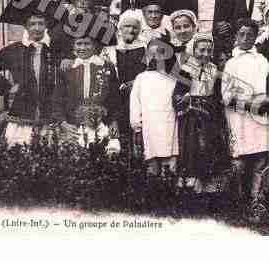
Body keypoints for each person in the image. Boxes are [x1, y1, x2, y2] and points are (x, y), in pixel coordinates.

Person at [0, 0, 60, 145]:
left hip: (47, 109)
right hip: (21, 110)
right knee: (21, 150)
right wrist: (8, 88)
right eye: (32, 24)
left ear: (46, 26)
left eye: (41, 24)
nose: (37, 28)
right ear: (26, 27)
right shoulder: (14, 49)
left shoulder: (53, 50)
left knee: (47, 152)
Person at [221, 20, 269, 208]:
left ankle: (256, 199)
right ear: (236, 36)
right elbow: (226, 96)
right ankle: (237, 201)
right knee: (239, 159)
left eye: (250, 35)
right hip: (238, 115)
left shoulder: (262, 60)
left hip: (260, 115)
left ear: (255, 36)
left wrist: (266, 103)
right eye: (241, 34)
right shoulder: (230, 63)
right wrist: (249, 104)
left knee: (260, 158)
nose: (245, 38)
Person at [172, 33, 229, 192]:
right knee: (192, 147)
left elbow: (217, 94)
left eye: (209, 50)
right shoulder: (186, 69)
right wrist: (184, 100)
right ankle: (189, 186)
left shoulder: (214, 69)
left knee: (209, 147)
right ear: (194, 50)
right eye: (201, 50)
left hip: (209, 114)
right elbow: (177, 93)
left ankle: (208, 188)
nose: (205, 54)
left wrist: (217, 107)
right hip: (191, 115)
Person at [52, 34, 120, 148]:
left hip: (101, 124)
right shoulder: (67, 68)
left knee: (100, 158)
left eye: (87, 44)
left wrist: (114, 121)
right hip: (72, 125)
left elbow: (115, 98)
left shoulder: (106, 67)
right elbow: (57, 99)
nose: (82, 48)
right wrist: (63, 122)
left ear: (94, 46)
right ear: (73, 46)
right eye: (79, 44)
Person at [130, 38, 179, 176]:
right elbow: (135, 104)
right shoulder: (142, 78)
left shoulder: (174, 79)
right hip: (149, 129)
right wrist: (137, 126)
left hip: (170, 128)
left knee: (169, 169)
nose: (155, 57)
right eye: (151, 54)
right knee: (151, 169)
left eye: (160, 53)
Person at [100, 11, 146, 156]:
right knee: (117, 135)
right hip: (116, 99)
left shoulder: (146, 49)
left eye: (135, 27)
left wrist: (136, 83)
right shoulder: (110, 49)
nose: (131, 30)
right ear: (120, 28)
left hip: (139, 98)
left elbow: (151, 73)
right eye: (127, 26)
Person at [50, 0, 114, 62]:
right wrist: (65, 58)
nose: (82, 3)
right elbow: (55, 47)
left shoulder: (100, 24)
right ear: (73, 3)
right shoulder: (62, 25)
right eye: (78, 0)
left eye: (85, 0)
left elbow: (106, 47)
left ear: (90, 3)